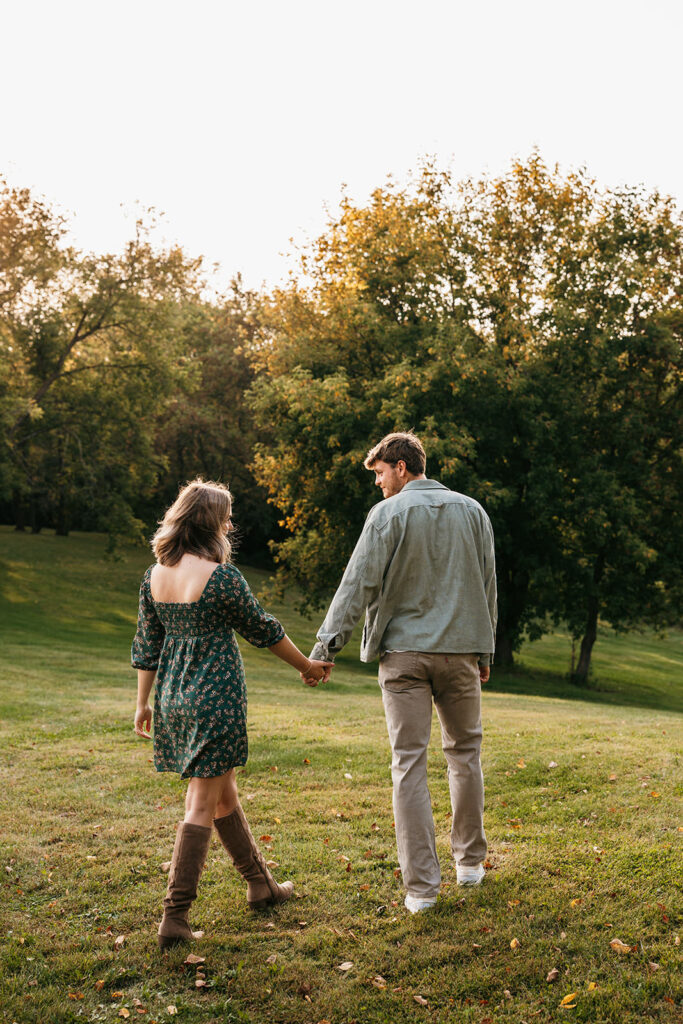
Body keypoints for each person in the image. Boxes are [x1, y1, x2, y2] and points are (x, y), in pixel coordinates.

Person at [132, 478, 331, 949]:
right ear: (212, 524)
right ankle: (174, 917)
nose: (229, 525)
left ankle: (260, 884)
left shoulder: (154, 576)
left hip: (174, 696)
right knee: (201, 803)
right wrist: (306, 665)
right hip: (215, 697)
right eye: (226, 519)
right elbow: (263, 629)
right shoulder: (221, 578)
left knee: (223, 792)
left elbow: (147, 644)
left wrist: (142, 703)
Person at [308, 432, 496, 913]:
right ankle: (470, 866)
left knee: (409, 763)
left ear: (402, 467)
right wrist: (485, 653)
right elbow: (488, 583)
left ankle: (422, 891)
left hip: (405, 657)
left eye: (379, 473)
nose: (377, 484)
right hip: (460, 653)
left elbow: (358, 582)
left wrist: (327, 645)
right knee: (465, 755)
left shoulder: (388, 514)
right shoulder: (474, 512)